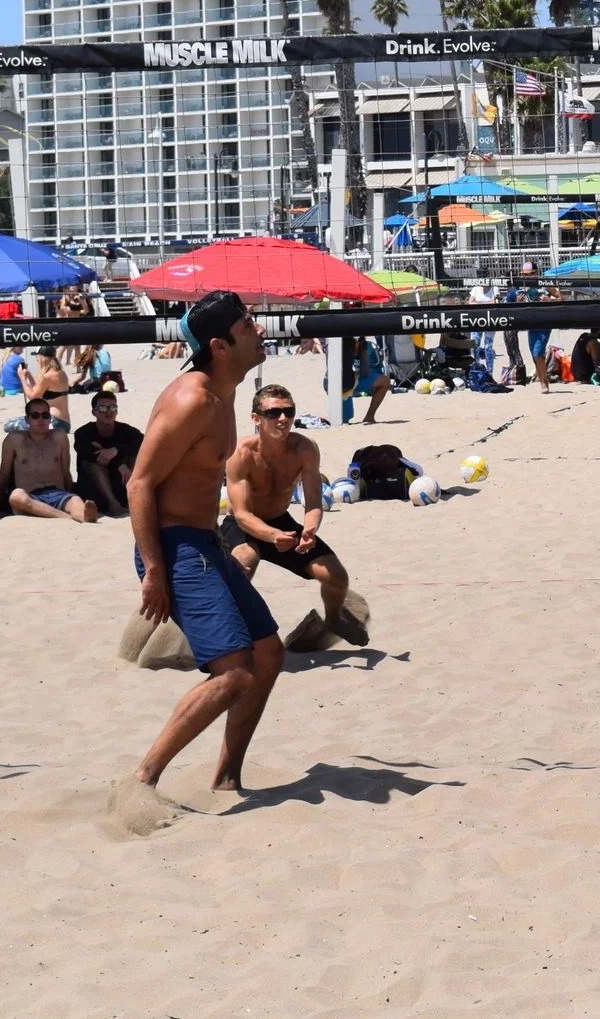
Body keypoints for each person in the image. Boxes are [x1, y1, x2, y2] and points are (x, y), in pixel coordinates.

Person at [121, 290, 283, 820]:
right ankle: (141, 780)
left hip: (203, 541)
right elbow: (139, 484)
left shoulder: (228, 389)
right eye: (247, 326)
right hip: (173, 546)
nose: (258, 330)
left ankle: (226, 775)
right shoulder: (192, 399)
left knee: (269, 654)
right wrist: (155, 571)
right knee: (235, 671)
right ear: (219, 344)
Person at [218, 383, 367, 645]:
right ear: (256, 419)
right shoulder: (241, 453)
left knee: (336, 576)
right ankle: (227, 634)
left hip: (281, 522)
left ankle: (333, 620)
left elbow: (313, 505)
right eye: (274, 413)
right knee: (245, 561)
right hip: (242, 525)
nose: (283, 418)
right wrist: (273, 536)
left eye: (289, 411)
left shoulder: (304, 448)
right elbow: (241, 515)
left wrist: (310, 529)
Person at [0, 396, 96, 522]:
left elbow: (66, 472)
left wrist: (72, 492)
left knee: (75, 500)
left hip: (57, 493)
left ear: (50, 418)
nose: (41, 419)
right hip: (30, 496)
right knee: (16, 497)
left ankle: (85, 517)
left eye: (45, 415)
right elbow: (4, 475)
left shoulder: (59, 437)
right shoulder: (14, 440)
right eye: (35, 416)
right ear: (27, 419)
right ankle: (66, 517)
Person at [74, 391, 143, 516]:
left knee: (136, 454)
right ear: (94, 412)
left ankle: (135, 497)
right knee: (93, 462)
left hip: (121, 486)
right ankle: (113, 505)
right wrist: (119, 464)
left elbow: (145, 442)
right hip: (95, 494)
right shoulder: (83, 433)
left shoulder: (125, 430)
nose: (108, 412)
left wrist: (115, 450)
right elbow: (86, 452)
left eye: (113, 407)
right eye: (102, 408)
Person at [344, 336, 392, 422]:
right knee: (344, 418)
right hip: (341, 383)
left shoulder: (359, 342)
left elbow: (364, 372)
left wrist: (362, 350)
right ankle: (369, 416)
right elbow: (364, 372)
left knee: (384, 381)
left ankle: (369, 417)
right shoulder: (355, 342)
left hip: (343, 380)